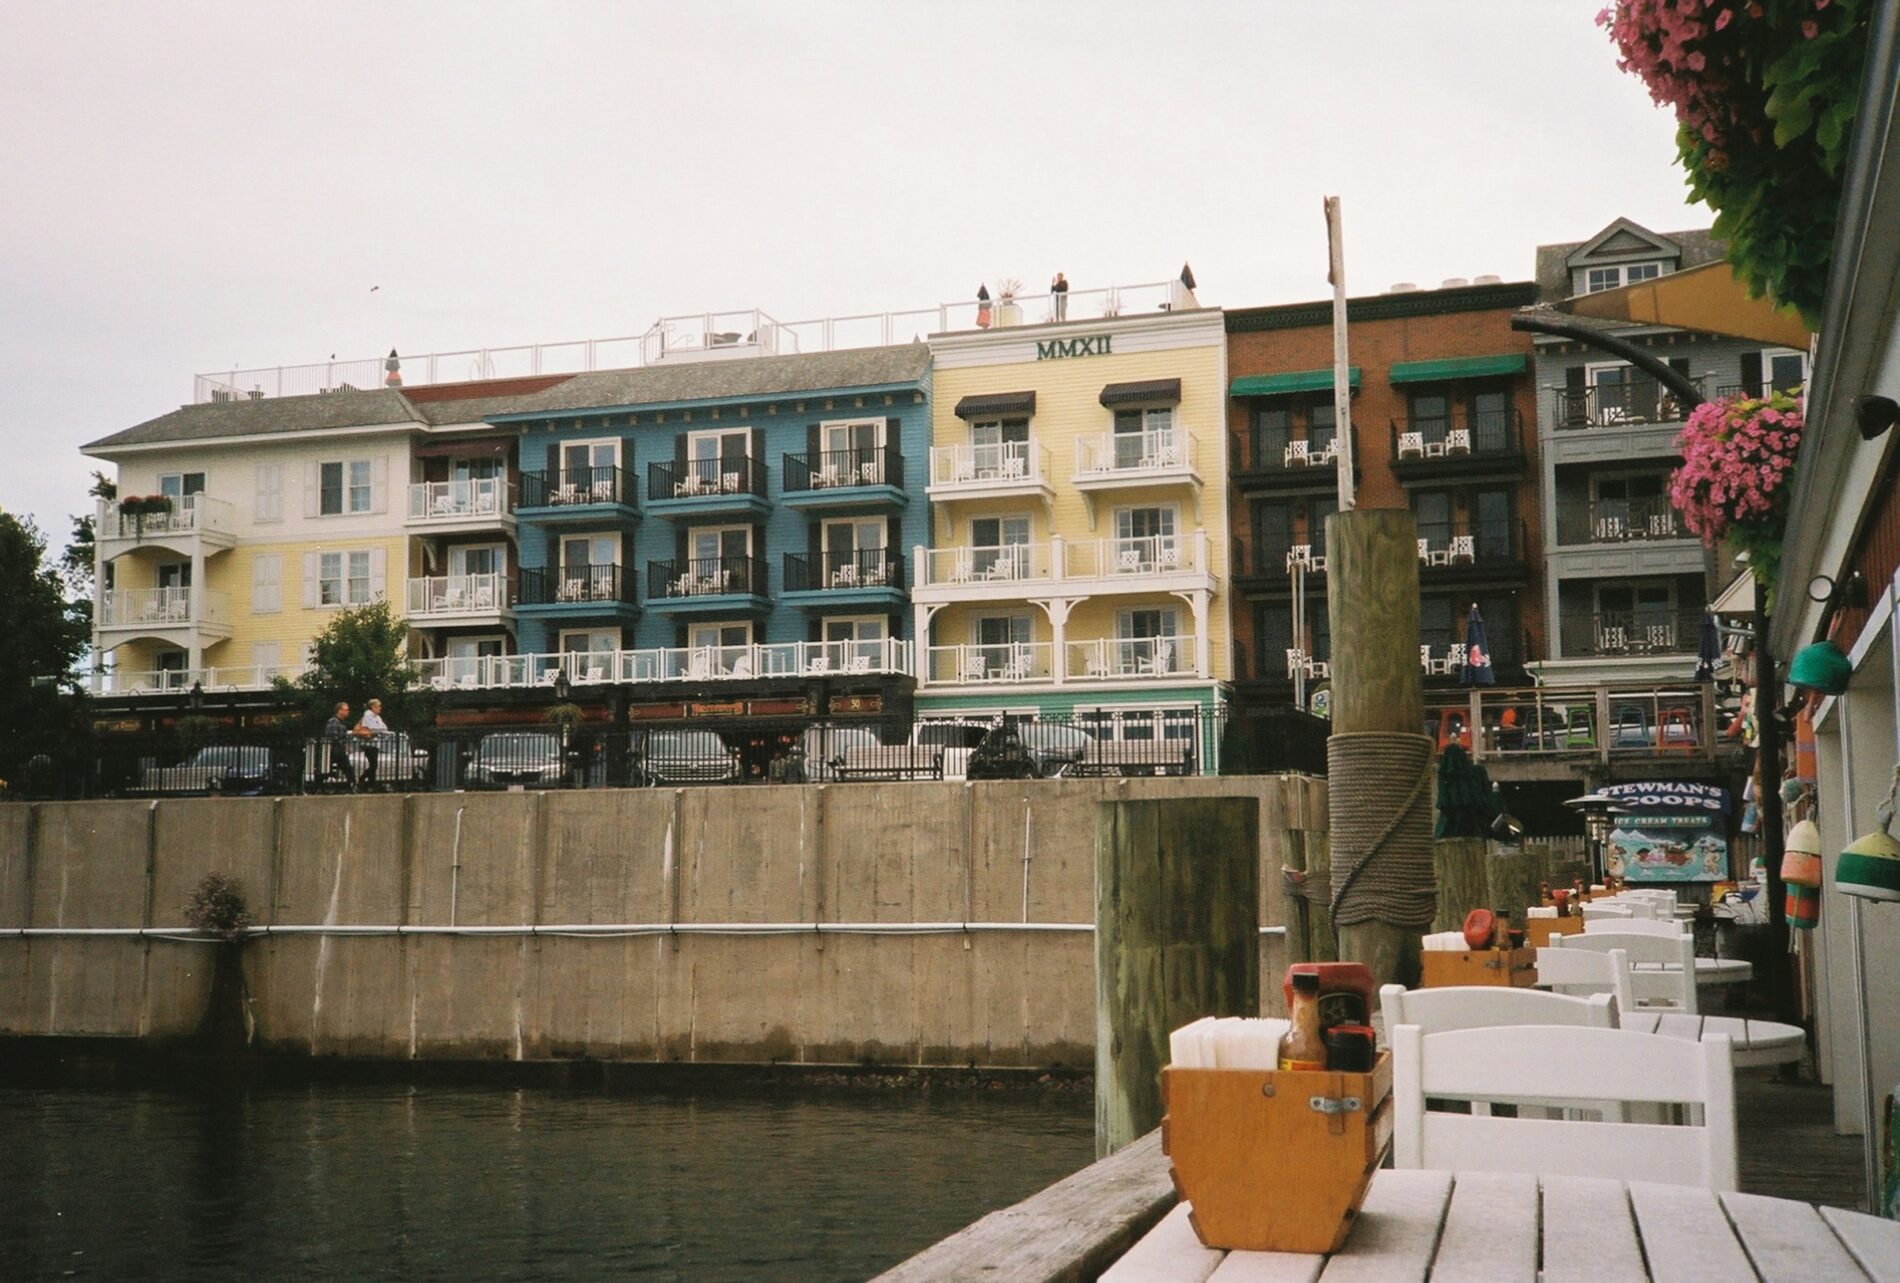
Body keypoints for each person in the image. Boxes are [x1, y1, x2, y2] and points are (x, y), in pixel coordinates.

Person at [323, 701, 358, 791]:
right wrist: (343, 746)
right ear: (339, 711)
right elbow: (333, 736)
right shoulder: (333, 722)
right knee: (346, 768)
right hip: (335, 750)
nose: (348, 712)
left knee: (346, 768)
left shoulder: (341, 723)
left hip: (338, 750)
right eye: (346, 710)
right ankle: (352, 785)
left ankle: (352, 784)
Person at [358, 698, 389, 787]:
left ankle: (368, 783)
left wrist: (380, 730)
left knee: (373, 765)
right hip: (368, 744)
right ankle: (366, 781)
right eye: (378, 706)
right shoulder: (368, 715)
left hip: (375, 744)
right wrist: (380, 730)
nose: (380, 708)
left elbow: (384, 728)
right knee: (374, 764)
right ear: (373, 707)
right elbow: (373, 729)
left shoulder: (378, 717)